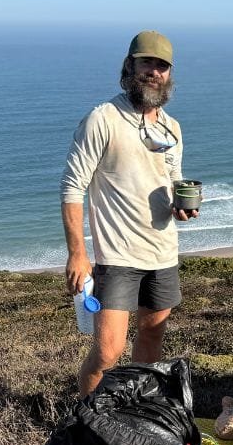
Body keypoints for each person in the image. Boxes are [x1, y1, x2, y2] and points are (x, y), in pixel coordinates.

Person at [60, 30, 198, 398]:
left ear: (170, 74)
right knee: (107, 351)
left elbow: (172, 177)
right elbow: (73, 187)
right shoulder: (103, 119)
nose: (154, 72)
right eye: (146, 63)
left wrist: (181, 205)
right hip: (118, 255)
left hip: (163, 252)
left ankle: (133, 410)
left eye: (162, 66)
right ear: (129, 66)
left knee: (152, 336)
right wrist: (77, 254)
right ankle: (86, 419)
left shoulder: (172, 128)